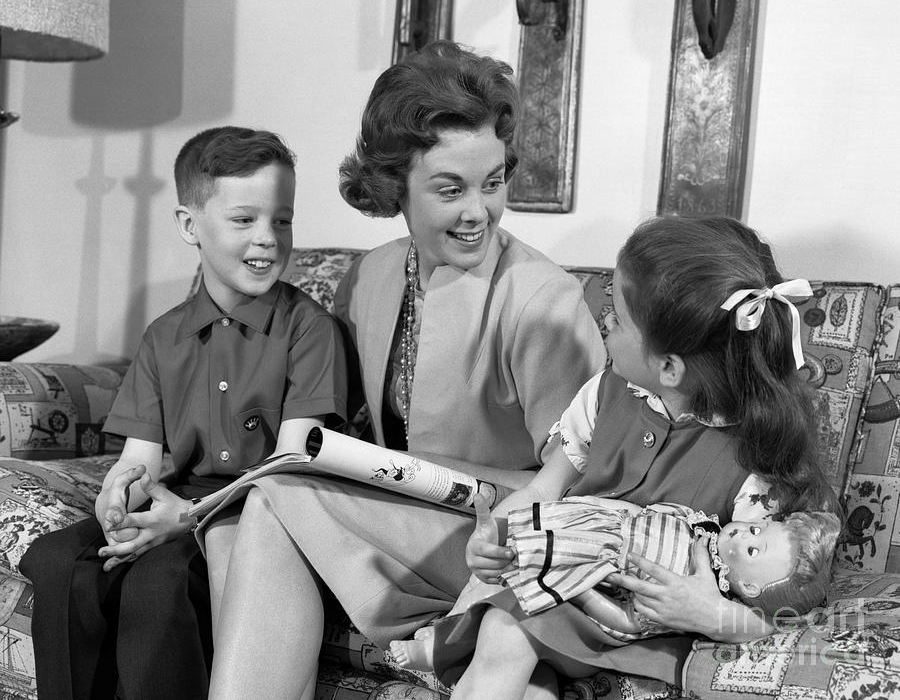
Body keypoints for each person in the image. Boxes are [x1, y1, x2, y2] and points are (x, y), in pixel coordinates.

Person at [198, 41, 607, 700]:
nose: (479, 212)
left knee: (276, 498)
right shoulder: (372, 275)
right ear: (395, 186)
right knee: (233, 519)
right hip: (405, 519)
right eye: (451, 189)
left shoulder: (543, 299)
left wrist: (431, 479)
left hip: (508, 539)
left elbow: (581, 485)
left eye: (494, 183)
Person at [389, 214, 842, 699]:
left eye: (617, 318)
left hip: (630, 621)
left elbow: (776, 608)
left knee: (504, 630)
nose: (604, 321)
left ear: (669, 366)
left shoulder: (754, 463)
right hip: (566, 577)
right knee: (529, 682)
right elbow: (545, 489)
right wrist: (495, 538)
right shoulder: (605, 392)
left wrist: (707, 612)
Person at [19, 126, 348, 700]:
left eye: (283, 220)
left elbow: (292, 469)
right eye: (245, 220)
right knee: (57, 559)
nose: (268, 238)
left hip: (264, 511)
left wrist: (189, 516)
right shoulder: (162, 337)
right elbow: (140, 460)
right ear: (190, 226)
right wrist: (120, 495)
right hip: (182, 495)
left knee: (158, 583)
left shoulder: (310, 331)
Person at [390, 496, 842, 673]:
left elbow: (628, 622)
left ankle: (438, 649)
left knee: (512, 612)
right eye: (759, 529)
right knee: (509, 612)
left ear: (747, 586)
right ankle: (442, 643)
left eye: (754, 550)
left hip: (590, 594)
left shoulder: (692, 589)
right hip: (584, 538)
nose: (746, 534)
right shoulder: (703, 525)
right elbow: (639, 510)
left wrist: (580, 587)